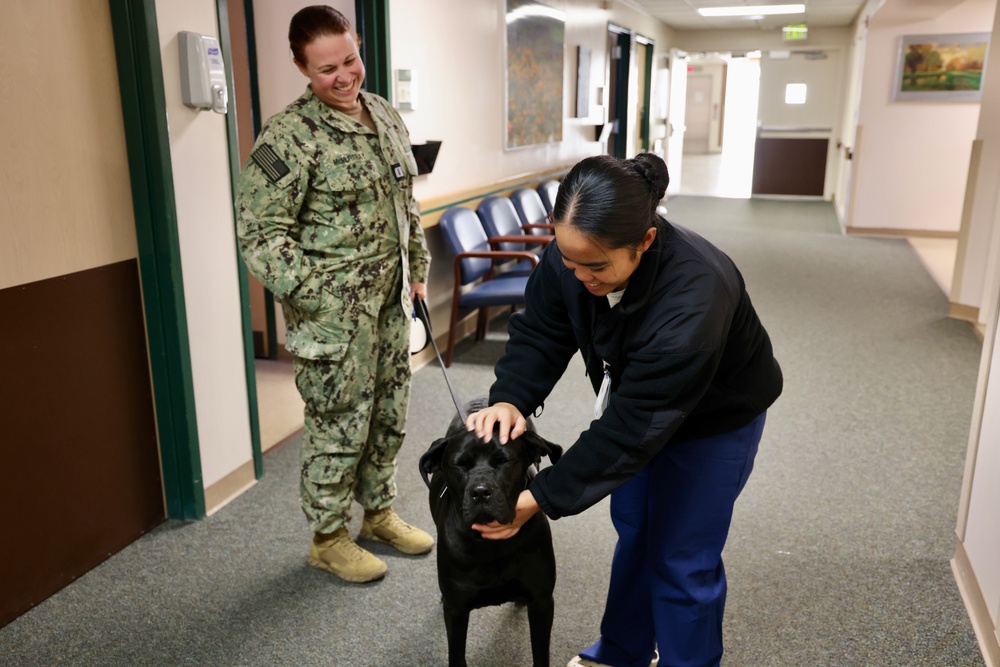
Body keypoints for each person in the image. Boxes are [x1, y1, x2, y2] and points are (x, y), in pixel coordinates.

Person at [466, 152, 782, 667]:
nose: (579, 276)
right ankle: (622, 652)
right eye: (569, 262)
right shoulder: (573, 252)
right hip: (639, 400)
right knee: (636, 529)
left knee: (682, 556)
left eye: (595, 267)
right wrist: (511, 397)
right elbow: (543, 330)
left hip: (715, 419)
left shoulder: (696, 293)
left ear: (645, 243)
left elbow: (632, 429)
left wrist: (539, 497)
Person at [236, 5, 433, 584]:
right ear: (301, 66)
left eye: (350, 60)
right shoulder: (288, 137)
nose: (344, 76)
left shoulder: (384, 115)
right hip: (334, 317)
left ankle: (377, 515)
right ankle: (327, 537)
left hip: (393, 302)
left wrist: (416, 268)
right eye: (327, 70)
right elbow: (260, 234)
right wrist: (320, 297)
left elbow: (406, 203)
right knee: (338, 421)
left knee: (388, 414)